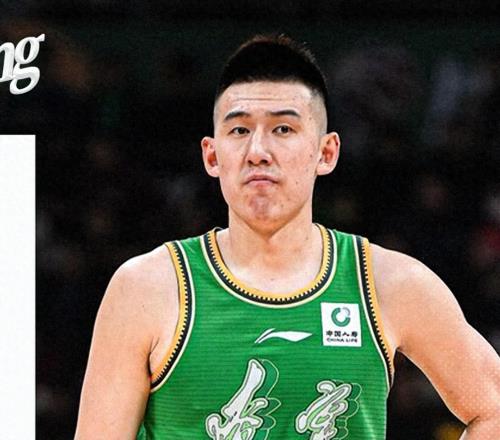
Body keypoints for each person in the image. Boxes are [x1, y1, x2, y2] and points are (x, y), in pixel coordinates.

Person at [75, 35, 500, 439]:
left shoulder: (390, 283)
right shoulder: (146, 287)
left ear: (326, 153)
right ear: (212, 155)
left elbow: (493, 408)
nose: (258, 151)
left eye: (283, 129)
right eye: (239, 130)